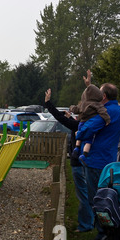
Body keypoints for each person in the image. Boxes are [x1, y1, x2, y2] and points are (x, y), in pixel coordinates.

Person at [75, 80, 120, 240]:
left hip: (96, 161)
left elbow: (88, 129)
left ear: (103, 96)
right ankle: (108, 231)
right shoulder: (117, 109)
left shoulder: (107, 112)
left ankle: (103, 234)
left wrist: (80, 133)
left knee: (97, 199)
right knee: (106, 197)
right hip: (107, 159)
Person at [44, 88, 94, 232]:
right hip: (86, 162)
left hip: (79, 163)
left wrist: (48, 103)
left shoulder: (80, 125)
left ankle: (86, 224)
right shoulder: (88, 124)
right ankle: (91, 221)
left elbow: (61, 119)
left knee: (83, 195)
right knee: (88, 192)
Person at [70, 84, 110, 165]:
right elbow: (103, 111)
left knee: (79, 137)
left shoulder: (83, 104)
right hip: (89, 122)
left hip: (81, 123)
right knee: (88, 140)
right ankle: (84, 155)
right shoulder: (96, 104)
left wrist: (71, 107)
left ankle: (77, 148)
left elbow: (76, 109)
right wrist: (107, 120)